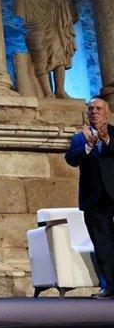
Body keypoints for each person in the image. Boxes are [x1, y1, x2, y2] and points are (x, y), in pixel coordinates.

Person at [65, 97, 114, 299]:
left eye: (98, 108)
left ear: (107, 111)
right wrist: (88, 146)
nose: (94, 111)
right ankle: (109, 286)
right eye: (91, 109)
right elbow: (71, 159)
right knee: (102, 244)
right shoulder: (79, 138)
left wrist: (106, 140)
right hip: (94, 198)